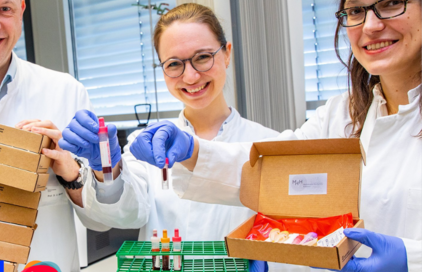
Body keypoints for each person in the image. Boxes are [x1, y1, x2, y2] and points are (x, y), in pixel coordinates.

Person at [127, 0, 422, 271]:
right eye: (356, 11)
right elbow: (274, 172)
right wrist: (192, 151)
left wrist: (411, 258)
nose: (370, 26)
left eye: (391, 3)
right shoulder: (340, 115)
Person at [58, 3, 278, 270]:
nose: (191, 75)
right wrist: (107, 168)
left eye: (203, 57)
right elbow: (125, 213)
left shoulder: (268, 145)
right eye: (174, 64)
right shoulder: (147, 146)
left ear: (227, 54)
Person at [0, 1, 118, 271]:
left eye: (4, 9)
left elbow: (103, 222)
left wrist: (71, 171)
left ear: (21, 11)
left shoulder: (65, 92)